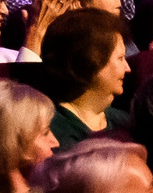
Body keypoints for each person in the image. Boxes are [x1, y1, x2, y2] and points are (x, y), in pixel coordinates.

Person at [40, 8, 133, 148]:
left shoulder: (124, 122)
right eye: (120, 58)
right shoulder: (56, 134)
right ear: (90, 62)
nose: (128, 68)